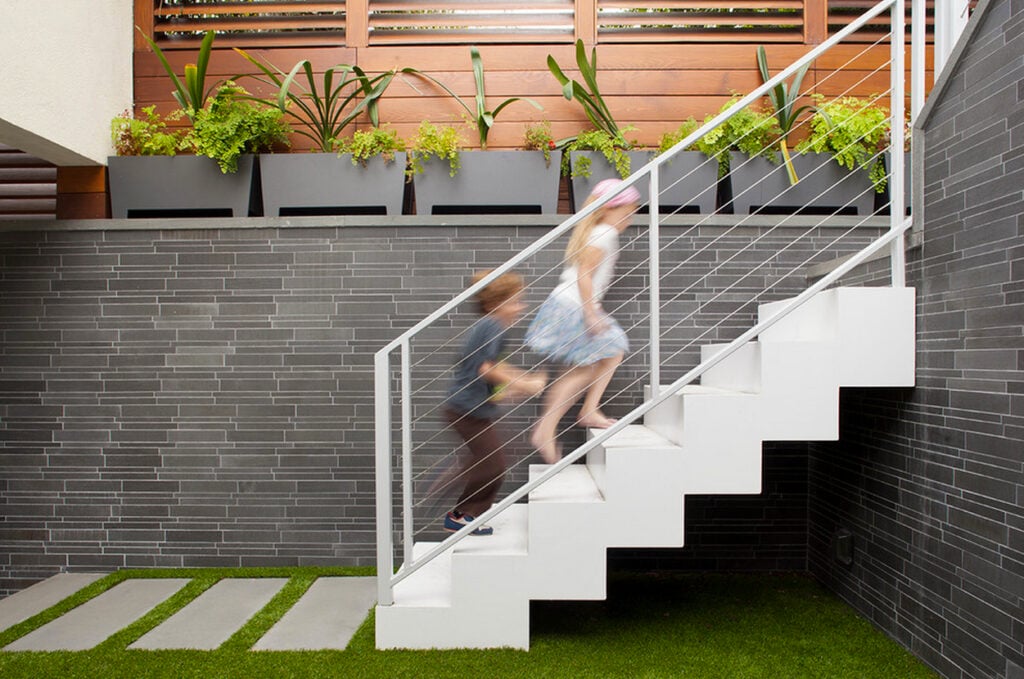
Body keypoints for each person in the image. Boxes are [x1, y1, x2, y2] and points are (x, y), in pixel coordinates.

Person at [526, 178, 640, 463]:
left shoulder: (601, 232)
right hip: (573, 306)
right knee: (609, 350)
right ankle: (556, 424)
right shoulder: (604, 234)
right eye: (625, 211)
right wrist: (591, 312)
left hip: (569, 305)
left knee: (588, 364)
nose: (629, 218)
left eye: (632, 212)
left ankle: (571, 417)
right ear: (606, 210)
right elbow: (584, 275)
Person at [442, 270, 547, 536]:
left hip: (469, 408)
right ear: (493, 305)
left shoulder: (487, 327)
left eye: (520, 300)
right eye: (514, 301)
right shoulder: (492, 326)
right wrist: (526, 384)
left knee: (490, 461)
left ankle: (466, 503)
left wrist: (520, 381)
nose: (520, 307)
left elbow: (490, 367)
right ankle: (463, 514)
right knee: (494, 465)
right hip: (467, 410)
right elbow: (487, 369)